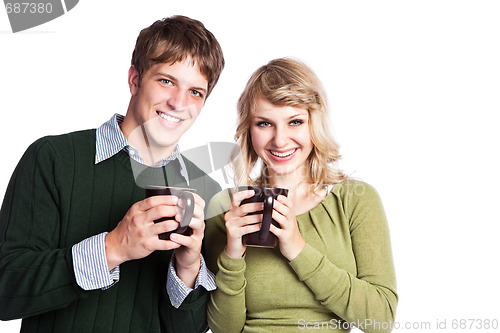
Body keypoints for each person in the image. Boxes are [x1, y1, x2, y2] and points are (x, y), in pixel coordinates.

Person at [0, 15, 224, 333]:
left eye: (195, 92)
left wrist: (188, 268)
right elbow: (6, 290)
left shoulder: (207, 191)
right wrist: (113, 248)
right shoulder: (53, 158)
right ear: (134, 79)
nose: (178, 103)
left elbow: (188, 329)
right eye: (166, 81)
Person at [204, 58, 398, 333]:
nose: (280, 140)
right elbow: (225, 328)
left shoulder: (355, 200)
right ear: (249, 128)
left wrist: (297, 248)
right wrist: (232, 255)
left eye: (295, 122)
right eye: (264, 124)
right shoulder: (227, 206)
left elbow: (380, 320)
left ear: (314, 124)